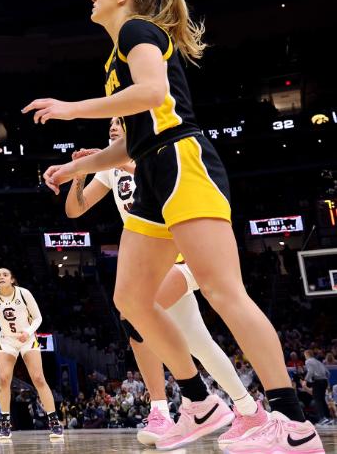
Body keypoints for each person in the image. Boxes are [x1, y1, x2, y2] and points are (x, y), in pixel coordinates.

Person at [24, 0, 322, 453]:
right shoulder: (115, 56)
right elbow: (134, 146)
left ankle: (291, 421)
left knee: (226, 293)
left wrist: (71, 108)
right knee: (133, 300)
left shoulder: (139, 31)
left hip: (183, 162)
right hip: (151, 170)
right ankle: (200, 402)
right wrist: (72, 169)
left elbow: (155, 94)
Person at [64, 118, 263, 446]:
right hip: (154, 262)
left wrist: (114, 160)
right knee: (199, 344)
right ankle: (250, 411)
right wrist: (79, 176)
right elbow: (75, 211)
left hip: (186, 253)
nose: (113, 126)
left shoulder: (154, 153)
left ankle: (167, 408)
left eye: (120, 120)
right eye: (111, 122)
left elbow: (150, 177)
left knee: (134, 309)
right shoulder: (109, 168)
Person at [0, 268, 64, 442]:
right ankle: (5, 425)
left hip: (27, 339)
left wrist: (28, 332)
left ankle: (54, 421)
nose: (1, 277)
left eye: (5, 274)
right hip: (7, 340)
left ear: (12, 279)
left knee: (38, 379)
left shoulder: (23, 293)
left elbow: (38, 318)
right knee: (4, 379)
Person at [304, 350, 331, 424]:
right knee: (322, 399)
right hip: (324, 381)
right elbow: (328, 373)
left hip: (317, 381)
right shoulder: (318, 361)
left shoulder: (308, 361)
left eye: (305, 355)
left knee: (317, 400)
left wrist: (305, 380)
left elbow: (311, 371)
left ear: (307, 354)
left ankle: (322, 418)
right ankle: (328, 417)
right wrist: (326, 381)